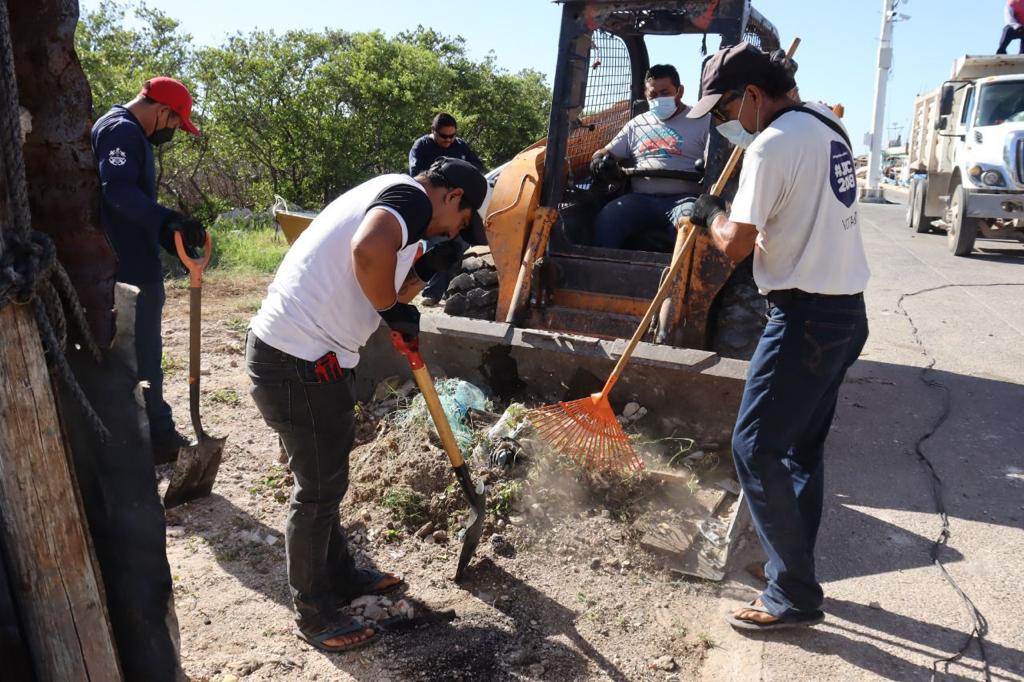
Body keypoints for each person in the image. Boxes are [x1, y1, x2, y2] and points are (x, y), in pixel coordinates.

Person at [246, 157, 487, 652]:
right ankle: (314, 614)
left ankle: (340, 576)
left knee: (327, 478)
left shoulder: (401, 215)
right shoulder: (409, 196)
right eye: (461, 222)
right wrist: (395, 312)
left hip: (311, 358)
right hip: (298, 359)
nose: (455, 231)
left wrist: (425, 268)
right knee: (317, 491)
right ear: (453, 196)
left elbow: (386, 285)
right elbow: (367, 251)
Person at [686, 43, 870, 631]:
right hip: (845, 313)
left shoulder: (771, 145)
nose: (724, 123)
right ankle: (791, 568)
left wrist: (707, 214)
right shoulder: (826, 122)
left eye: (724, 110)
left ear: (753, 96)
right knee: (798, 452)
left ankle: (793, 595)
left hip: (804, 318)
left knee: (754, 448)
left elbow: (736, 245)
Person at [91, 77, 207, 463]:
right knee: (143, 353)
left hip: (132, 257)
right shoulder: (121, 130)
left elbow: (129, 204)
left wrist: (168, 235)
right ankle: (155, 435)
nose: (173, 131)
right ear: (162, 110)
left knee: (141, 352)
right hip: (127, 266)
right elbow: (117, 192)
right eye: (175, 122)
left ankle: (145, 431)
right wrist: (168, 218)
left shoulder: (124, 130)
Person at [590, 64, 709, 249]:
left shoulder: (703, 121)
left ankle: (681, 268)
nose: (659, 99)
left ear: (679, 91)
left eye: (665, 93)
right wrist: (599, 159)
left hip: (685, 200)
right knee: (609, 217)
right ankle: (598, 265)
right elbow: (607, 151)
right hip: (640, 199)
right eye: (653, 95)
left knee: (691, 226)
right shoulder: (637, 124)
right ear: (645, 94)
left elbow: (717, 160)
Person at [408, 113, 484, 305]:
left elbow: (476, 169)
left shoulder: (460, 146)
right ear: (433, 131)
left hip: (458, 209)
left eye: (452, 136)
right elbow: (418, 176)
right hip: (436, 210)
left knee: (458, 250)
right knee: (437, 249)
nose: (449, 140)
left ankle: (452, 293)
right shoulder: (422, 146)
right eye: (444, 136)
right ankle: (432, 293)